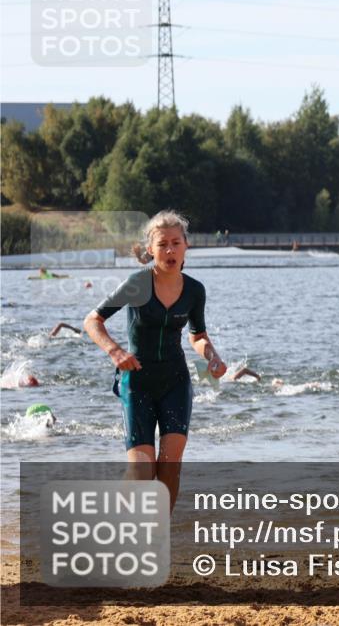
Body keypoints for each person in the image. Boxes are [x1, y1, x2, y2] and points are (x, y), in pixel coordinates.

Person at [83, 210, 227, 512]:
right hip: (137, 382)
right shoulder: (137, 284)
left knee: (170, 467)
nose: (170, 250)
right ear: (151, 249)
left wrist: (212, 357)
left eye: (176, 242)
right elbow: (92, 320)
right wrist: (115, 351)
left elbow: (198, 336)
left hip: (175, 381)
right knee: (142, 472)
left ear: (186, 245)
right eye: (163, 244)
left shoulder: (194, 290)